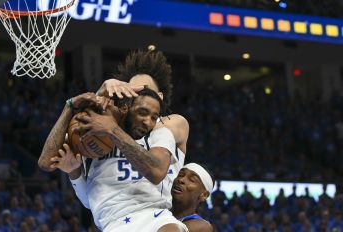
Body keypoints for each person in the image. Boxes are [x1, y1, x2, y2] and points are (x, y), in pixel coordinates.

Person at [41, 87, 187, 231]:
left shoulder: (159, 134)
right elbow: (46, 162)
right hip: (114, 220)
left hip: (154, 213)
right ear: (124, 108)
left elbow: (156, 172)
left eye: (154, 117)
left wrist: (112, 130)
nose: (148, 122)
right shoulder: (93, 129)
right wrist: (70, 107)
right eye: (142, 113)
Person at [95, 49, 189, 176]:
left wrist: (110, 120)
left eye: (146, 91)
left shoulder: (174, 123)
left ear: (159, 97)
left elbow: (160, 128)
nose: (139, 98)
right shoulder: (112, 126)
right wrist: (98, 98)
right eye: (133, 92)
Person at [171, 163, 214, 232]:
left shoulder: (202, 227)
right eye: (180, 175)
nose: (181, 180)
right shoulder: (159, 209)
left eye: (192, 180)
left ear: (204, 195)